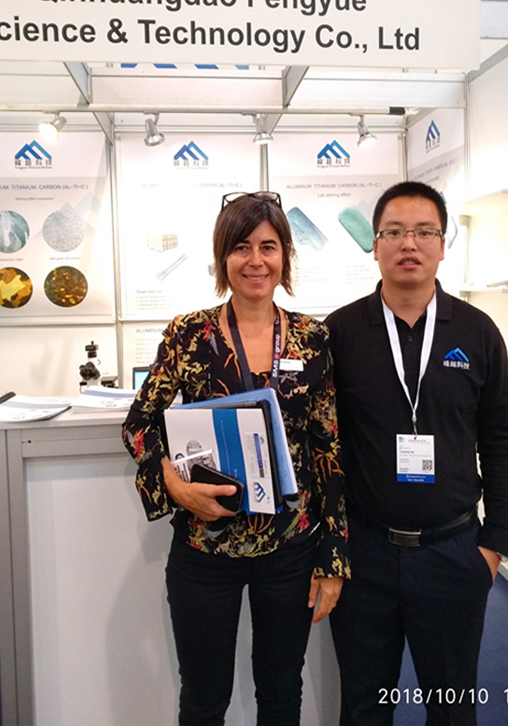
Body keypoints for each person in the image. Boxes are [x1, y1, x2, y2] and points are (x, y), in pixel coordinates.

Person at [122, 191, 350, 726]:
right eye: (241, 247)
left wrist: (333, 557)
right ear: (223, 257)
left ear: (285, 255)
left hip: (290, 548)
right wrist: (172, 483)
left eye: (268, 247)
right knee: (203, 699)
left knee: (281, 694)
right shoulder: (188, 334)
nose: (255, 260)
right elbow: (139, 423)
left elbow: (329, 447)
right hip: (206, 546)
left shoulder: (312, 338)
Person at [326, 181, 508, 726]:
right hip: (365, 555)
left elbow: (500, 440)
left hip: (453, 552)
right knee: (363, 706)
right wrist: (330, 548)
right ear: (375, 245)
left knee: (452, 707)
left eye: (423, 231)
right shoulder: (339, 333)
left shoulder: (479, 332)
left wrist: (496, 544)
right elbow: (324, 447)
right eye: (394, 232)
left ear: (442, 244)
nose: (408, 243)